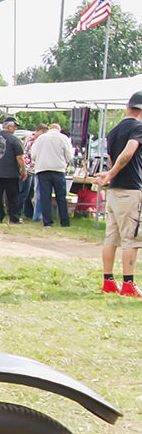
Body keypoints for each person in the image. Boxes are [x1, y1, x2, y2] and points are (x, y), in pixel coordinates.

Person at [99, 91, 142, 296]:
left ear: (128, 106)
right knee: (130, 239)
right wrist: (112, 173)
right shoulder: (138, 128)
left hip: (114, 190)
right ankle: (128, 284)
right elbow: (129, 151)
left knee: (111, 237)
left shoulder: (114, 130)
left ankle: (108, 281)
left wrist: (110, 175)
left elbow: (110, 157)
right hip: (130, 188)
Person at [0, 116, 26, 225]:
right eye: (15, 126)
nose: (15, 129)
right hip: (10, 173)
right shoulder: (14, 140)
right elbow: (20, 157)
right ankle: (13, 218)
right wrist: (24, 170)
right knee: (12, 197)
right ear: (10, 126)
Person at [29, 122, 73, 229]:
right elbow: (69, 155)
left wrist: (39, 161)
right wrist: (64, 162)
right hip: (58, 169)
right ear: (59, 129)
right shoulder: (63, 138)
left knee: (45, 196)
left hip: (43, 169)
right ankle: (64, 221)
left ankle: (47, 221)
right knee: (61, 196)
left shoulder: (41, 139)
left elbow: (33, 154)